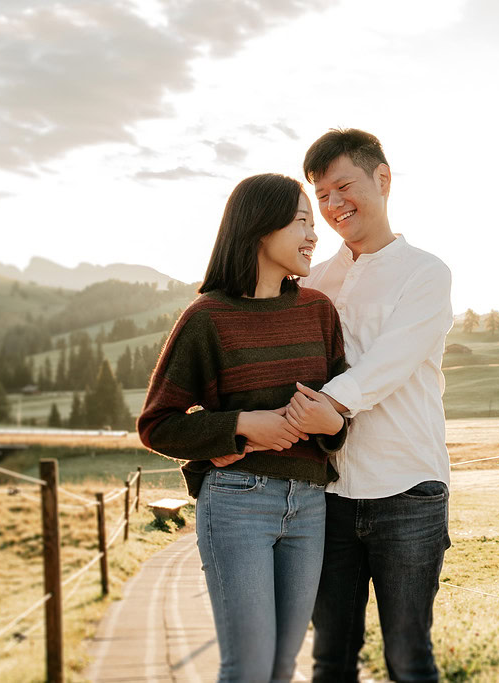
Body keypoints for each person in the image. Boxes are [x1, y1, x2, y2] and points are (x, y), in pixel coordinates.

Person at [137, 173, 349, 683]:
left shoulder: (318, 311)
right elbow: (157, 424)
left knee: (281, 668)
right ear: (259, 227)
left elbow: (341, 409)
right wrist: (242, 425)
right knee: (249, 669)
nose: (313, 235)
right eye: (301, 221)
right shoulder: (207, 317)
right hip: (237, 503)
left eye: (312, 224)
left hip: (310, 505)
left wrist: (334, 427)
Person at [288, 129, 453, 681]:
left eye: (344, 187)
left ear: (382, 179)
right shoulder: (314, 280)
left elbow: (391, 360)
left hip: (408, 488)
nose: (334, 204)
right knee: (331, 656)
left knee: (408, 657)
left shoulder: (426, 272)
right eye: (322, 195)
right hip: (328, 495)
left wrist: (330, 407)